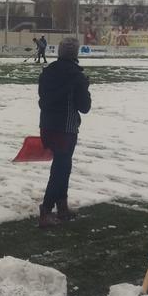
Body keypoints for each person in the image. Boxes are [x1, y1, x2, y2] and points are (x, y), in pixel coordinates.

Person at [37, 37, 91, 227]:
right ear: (75, 53)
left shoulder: (48, 72)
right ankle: (46, 209)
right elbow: (84, 107)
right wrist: (86, 87)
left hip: (47, 126)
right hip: (65, 129)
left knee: (62, 167)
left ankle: (62, 206)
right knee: (61, 169)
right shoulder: (76, 75)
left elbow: (42, 99)